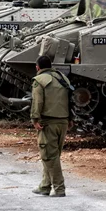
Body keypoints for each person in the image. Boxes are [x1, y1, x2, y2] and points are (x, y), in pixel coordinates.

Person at [30, 55, 73, 198]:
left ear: (37, 67)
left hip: (48, 122)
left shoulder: (39, 80)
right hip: (63, 121)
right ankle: (45, 186)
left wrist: (35, 119)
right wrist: (71, 118)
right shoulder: (62, 78)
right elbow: (70, 99)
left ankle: (59, 188)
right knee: (53, 155)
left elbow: (37, 102)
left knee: (49, 156)